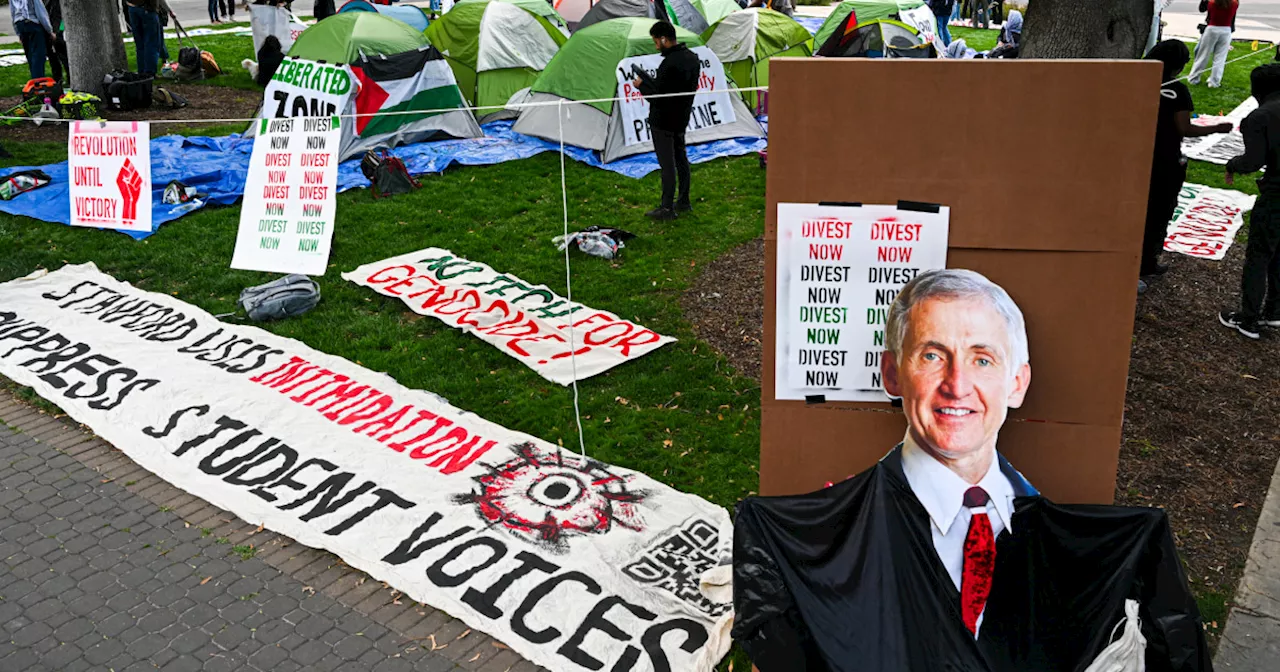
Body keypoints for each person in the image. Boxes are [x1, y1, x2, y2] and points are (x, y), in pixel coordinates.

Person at [1142, 41, 1233, 285]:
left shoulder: (1137, 82)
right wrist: (1217, 128)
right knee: (1159, 211)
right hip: (1165, 159)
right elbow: (1184, 127)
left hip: (1138, 155)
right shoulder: (1177, 91)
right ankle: (1146, 263)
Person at [1222, 64, 1280, 338]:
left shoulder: (1261, 116)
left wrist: (1232, 164)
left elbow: (1252, 161)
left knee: (1259, 254)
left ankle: (1248, 318)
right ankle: (1275, 311)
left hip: (1277, 195)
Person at [631, 21, 700, 220]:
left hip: (662, 121)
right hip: (681, 118)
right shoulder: (692, 58)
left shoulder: (669, 63)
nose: (656, 46)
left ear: (663, 39)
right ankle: (684, 200)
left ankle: (667, 207)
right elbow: (672, 90)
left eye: (656, 41)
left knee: (667, 165)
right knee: (681, 159)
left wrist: (641, 86)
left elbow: (658, 96)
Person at [1189, 0, 1238, 88]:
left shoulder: (1211, 3)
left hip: (1212, 28)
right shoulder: (1235, 3)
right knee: (1220, 58)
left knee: (1203, 55)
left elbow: (1208, 12)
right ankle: (1214, 82)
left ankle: (1194, 78)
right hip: (1226, 30)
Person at [10, 0, 55, 81]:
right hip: (33, 23)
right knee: (38, 55)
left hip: (20, 23)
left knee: (30, 54)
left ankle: (34, 81)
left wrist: (18, 32)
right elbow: (40, 12)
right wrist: (49, 30)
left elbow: (13, 12)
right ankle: (39, 81)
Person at [125, 0, 163, 76]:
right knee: (152, 43)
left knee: (140, 44)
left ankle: (141, 71)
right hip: (147, 8)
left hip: (132, 7)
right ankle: (149, 72)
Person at [43, 0, 69, 86]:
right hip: (51, 30)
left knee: (62, 55)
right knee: (53, 57)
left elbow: (62, 18)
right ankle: (58, 78)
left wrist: (58, 32)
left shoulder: (57, 3)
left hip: (57, 31)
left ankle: (67, 77)